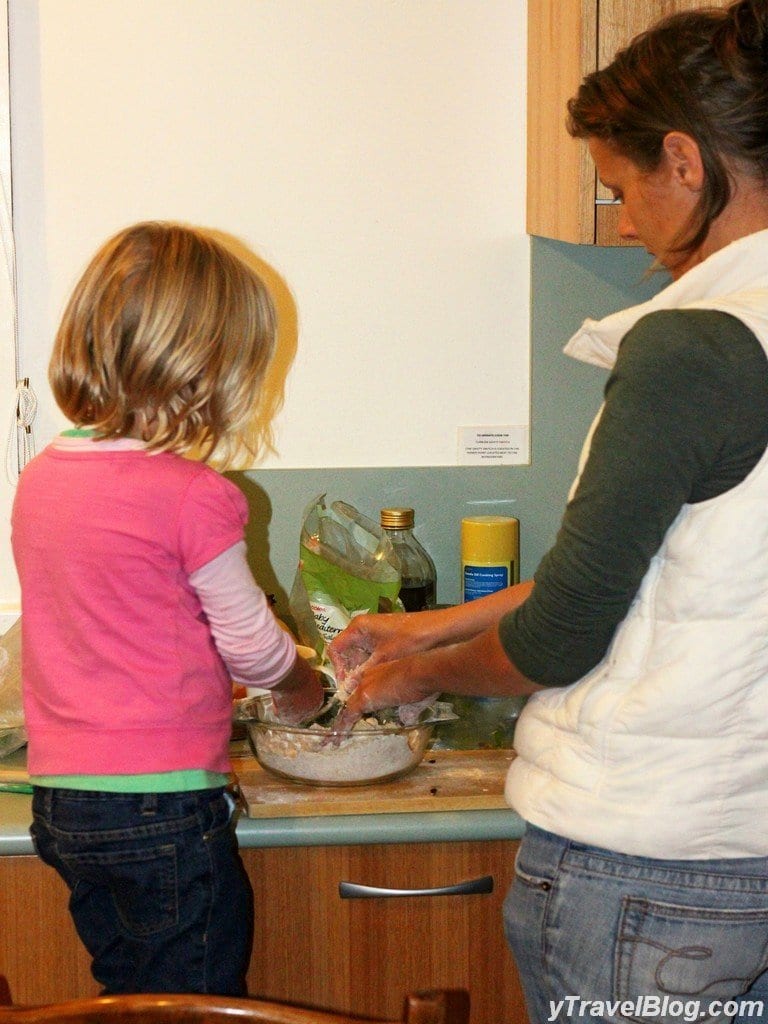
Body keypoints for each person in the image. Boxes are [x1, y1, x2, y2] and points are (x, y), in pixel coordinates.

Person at [330, 1, 768, 1018]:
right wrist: (438, 619)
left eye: (622, 189)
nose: (624, 223)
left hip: (652, 871)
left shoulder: (696, 344)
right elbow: (679, 571)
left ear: (685, 160)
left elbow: (563, 634)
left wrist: (414, 676)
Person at [11, 222, 324, 996]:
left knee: (131, 999)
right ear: (208, 370)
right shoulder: (195, 495)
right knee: (193, 1006)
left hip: (63, 805)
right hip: (163, 804)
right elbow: (251, 649)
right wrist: (301, 683)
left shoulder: (41, 478)